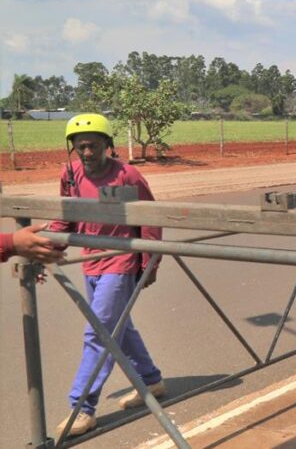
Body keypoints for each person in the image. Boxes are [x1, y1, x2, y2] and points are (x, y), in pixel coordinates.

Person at [51, 114, 166, 438]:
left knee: (99, 332)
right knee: (119, 327)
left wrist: (150, 262)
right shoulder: (70, 174)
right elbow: (67, 216)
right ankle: (151, 380)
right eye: (81, 147)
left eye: (93, 146)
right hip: (91, 261)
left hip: (121, 261)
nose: (87, 153)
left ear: (108, 146)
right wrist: (47, 243)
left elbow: (149, 218)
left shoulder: (126, 176)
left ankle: (82, 408)